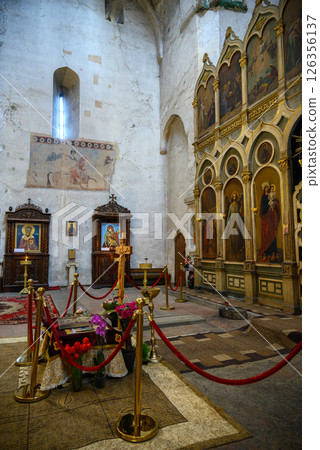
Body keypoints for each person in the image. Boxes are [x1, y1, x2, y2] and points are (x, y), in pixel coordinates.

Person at [258, 183, 280, 260]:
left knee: (272, 234)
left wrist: (274, 205)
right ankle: (265, 252)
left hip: (272, 218)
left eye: (268, 187)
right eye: (266, 187)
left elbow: (277, 207)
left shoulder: (273, 196)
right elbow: (263, 207)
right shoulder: (264, 197)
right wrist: (268, 208)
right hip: (266, 217)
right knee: (265, 234)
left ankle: (273, 253)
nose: (267, 189)